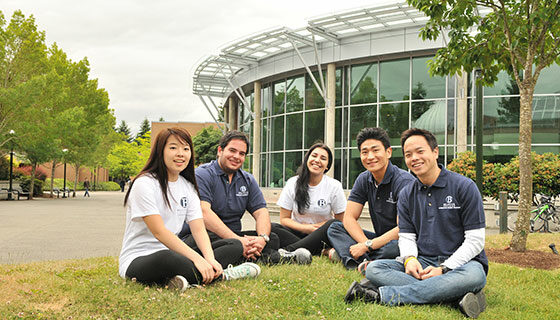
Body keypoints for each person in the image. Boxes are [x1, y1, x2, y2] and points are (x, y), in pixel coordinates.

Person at [345, 128, 488, 318]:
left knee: (474, 276)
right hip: (423, 261)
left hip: (464, 265)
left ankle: (380, 295)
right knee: (374, 268)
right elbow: (406, 236)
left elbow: (475, 241)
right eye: (408, 154)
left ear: (435, 152)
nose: (414, 158)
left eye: (420, 151)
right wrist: (410, 259)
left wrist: (444, 269)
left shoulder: (464, 186)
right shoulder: (406, 193)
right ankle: (453, 295)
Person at [119, 127, 260, 292]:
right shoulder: (144, 184)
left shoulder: (188, 187)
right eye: (173, 148)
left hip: (176, 252)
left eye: (186, 149)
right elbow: (159, 232)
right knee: (169, 258)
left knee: (235, 245)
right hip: (140, 258)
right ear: (160, 151)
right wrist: (198, 259)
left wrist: (209, 258)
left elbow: (199, 229)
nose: (181, 154)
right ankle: (225, 275)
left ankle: (183, 278)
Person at [179, 130, 311, 265]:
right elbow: (204, 213)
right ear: (220, 151)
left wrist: (262, 238)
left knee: (273, 237)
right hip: (201, 236)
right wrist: (237, 240)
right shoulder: (203, 174)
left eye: (242, 154)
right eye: (232, 150)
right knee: (230, 246)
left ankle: (248, 255)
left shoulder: (247, 180)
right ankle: (276, 258)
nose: (237, 156)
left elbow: (261, 212)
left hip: (234, 238)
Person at [327, 127, 414, 269]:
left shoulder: (404, 181)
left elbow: (403, 228)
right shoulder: (364, 179)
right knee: (335, 227)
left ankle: (355, 258)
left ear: (388, 152)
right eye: (365, 152)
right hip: (376, 240)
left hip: (400, 239)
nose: (370, 156)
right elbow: (348, 217)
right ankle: (367, 262)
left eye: (375, 150)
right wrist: (366, 244)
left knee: (394, 249)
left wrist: (367, 246)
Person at [271, 142, 346, 256]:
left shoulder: (334, 186)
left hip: (321, 234)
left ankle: (289, 251)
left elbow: (340, 220)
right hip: (297, 232)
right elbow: (284, 219)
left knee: (334, 223)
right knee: (272, 227)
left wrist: (317, 229)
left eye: (323, 158)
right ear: (307, 159)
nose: (317, 160)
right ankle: (320, 251)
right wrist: (306, 228)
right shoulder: (293, 183)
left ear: (327, 166)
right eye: (314, 156)